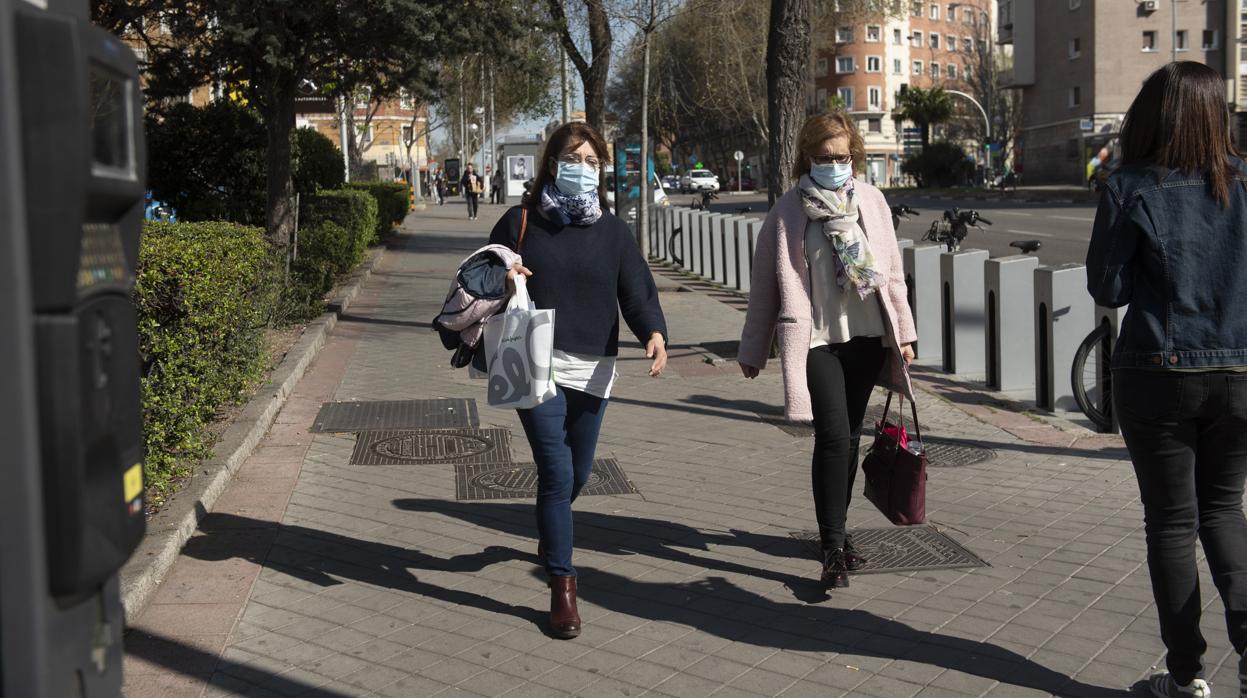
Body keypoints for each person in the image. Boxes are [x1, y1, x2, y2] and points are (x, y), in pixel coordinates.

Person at [1087, 61, 1247, 698]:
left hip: (1158, 371)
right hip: (1241, 371)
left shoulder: (1130, 186)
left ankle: (1187, 678)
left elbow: (1109, 286)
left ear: (1152, 117)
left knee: (1173, 524)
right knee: (1225, 511)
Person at [487, 122, 669, 639]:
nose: (583, 168)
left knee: (581, 471)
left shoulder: (612, 229)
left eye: (593, 161)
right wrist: (505, 277)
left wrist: (653, 332)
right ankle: (563, 586)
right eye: (574, 158)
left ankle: (552, 530)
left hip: (594, 365)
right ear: (552, 162)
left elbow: (635, 288)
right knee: (557, 472)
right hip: (533, 359)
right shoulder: (519, 221)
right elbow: (480, 273)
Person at [737, 111, 916, 590]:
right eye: (822, 157)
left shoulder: (872, 202)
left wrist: (904, 332)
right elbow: (766, 286)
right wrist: (754, 348)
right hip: (816, 341)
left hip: (866, 337)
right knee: (834, 436)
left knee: (852, 438)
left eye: (840, 156)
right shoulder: (788, 211)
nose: (832, 164)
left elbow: (892, 272)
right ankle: (833, 546)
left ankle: (836, 533)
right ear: (807, 158)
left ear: (853, 156)